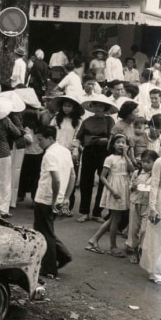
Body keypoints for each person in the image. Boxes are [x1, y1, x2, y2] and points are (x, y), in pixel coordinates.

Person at [33, 126, 75, 279]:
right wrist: (65, 198)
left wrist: (53, 200)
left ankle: (50, 268)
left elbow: (56, 179)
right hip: (56, 198)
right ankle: (63, 255)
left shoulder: (50, 154)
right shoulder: (64, 151)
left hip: (45, 198)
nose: (38, 143)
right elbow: (72, 176)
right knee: (46, 230)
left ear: (50, 138)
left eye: (41, 140)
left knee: (44, 233)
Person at [85, 134, 134, 257]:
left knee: (113, 218)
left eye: (123, 142)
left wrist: (127, 155)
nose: (121, 144)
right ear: (113, 144)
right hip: (115, 189)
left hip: (124, 188)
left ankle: (93, 240)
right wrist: (112, 191)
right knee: (115, 218)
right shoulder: (110, 158)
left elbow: (132, 170)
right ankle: (113, 246)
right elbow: (102, 176)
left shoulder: (125, 158)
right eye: (118, 142)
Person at [76, 95, 117, 222]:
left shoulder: (109, 121)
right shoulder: (86, 121)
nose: (98, 108)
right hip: (88, 152)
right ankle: (85, 212)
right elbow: (79, 137)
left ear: (105, 108)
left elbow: (111, 139)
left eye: (101, 106)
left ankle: (97, 213)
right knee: (85, 181)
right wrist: (79, 146)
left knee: (102, 181)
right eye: (96, 105)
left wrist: (96, 140)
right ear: (92, 107)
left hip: (103, 153)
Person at [48, 95, 83, 216]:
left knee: (69, 178)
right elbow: (50, 133)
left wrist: (75, 149)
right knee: (56, 177)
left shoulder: (78, 121)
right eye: (64, 105)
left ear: (74, 108)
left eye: (69, 106)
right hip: (56, 151)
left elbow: (77, 137)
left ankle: (66, 205)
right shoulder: (56, 118)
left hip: (69, 152)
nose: (66, 108)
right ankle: (53, 204)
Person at [127, 150, 158, 262]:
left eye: (148, 162)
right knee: (133, 228)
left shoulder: (157, 175)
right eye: (143, 161)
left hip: (148, 205)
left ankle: (141, 250)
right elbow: (130, 187)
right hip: (135, 203)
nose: (144, 164)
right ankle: (134, 250)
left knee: (144, 230)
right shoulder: (137, 172)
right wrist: (133, 186)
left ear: (155, 163)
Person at [140, 152, 161, 283]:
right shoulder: (159, 162)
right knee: (155, 236)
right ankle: (153, 270)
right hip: (159, 200)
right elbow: (154, 184)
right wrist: (152, 207)